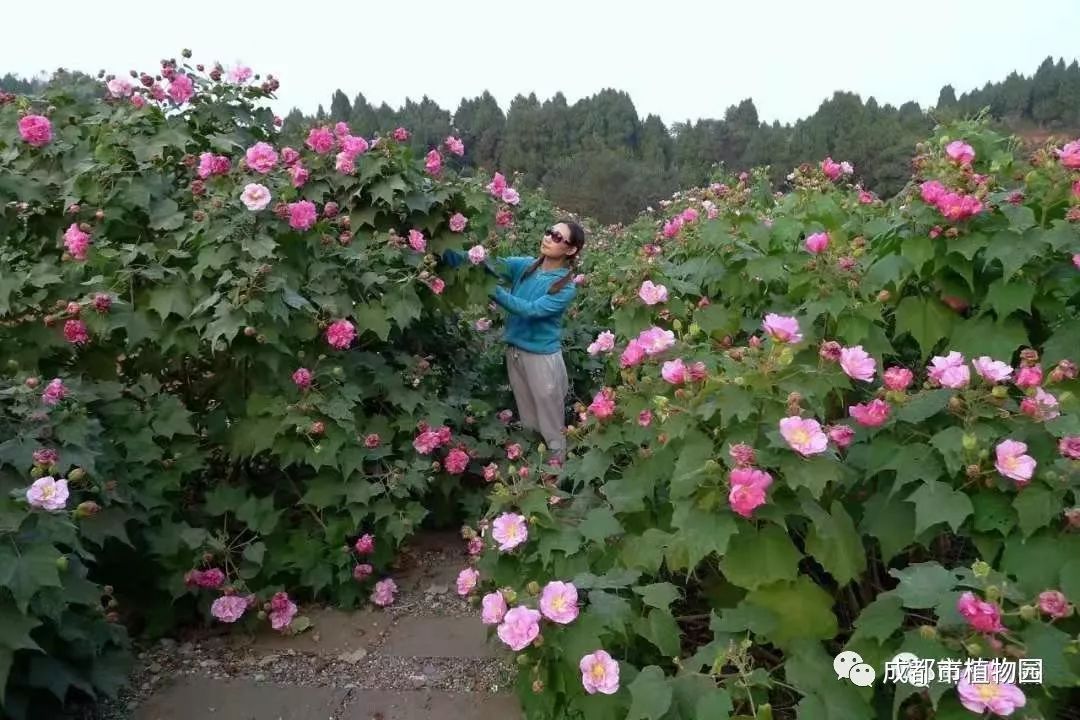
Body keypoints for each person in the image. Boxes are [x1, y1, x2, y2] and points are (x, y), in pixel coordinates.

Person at [443, 219, 585, 466]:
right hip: (516, 354)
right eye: (549, 231)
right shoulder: (525, 266)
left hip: (542, 360)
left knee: (551, 427)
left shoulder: (565, 287)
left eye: (558, 237)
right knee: (529, 421)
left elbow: (530, 310)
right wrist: (441, 248)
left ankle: (556, 479)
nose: (549, 238)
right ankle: (531, 475)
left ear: (571, 250)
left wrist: (491, 290)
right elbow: (484, 264)